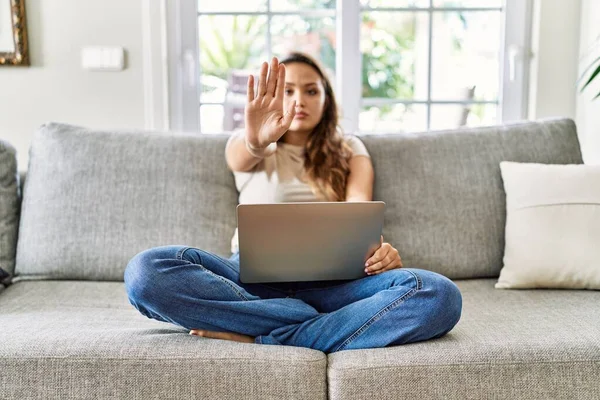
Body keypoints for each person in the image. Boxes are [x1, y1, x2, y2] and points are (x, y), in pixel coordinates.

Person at [124, 53, 462, 353]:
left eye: (311, 90)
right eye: (288, 90)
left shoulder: (350, 148)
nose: (299, 99)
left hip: (338, 285)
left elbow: (359, 208)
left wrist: (380, 252)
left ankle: (267, 335)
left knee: (437, 293)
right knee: (145, 272)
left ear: (326, 100)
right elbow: (245, 154)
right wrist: (257, 139)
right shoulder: (253, 146)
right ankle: (314, 321)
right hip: (248, 281)